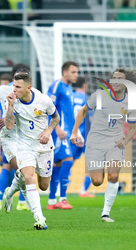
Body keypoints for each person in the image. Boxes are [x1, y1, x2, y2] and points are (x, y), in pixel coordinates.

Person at [71, 68, 136, 222]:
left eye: (120, 78)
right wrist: (75, 132)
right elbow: (83, 111)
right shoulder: (100, 95)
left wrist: (124, 141)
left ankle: (105, 213)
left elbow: (131, 129)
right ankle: (100, 167)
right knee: (96, 181)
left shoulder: (131, 102)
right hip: (95, 142)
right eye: (114, 78)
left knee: (114, 175)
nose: (115, 81)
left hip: (115, 143)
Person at [4, 69, 60, 230]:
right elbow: (8, 125)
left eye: (18, 87)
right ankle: (40, 218)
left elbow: (56, 117)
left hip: (44, 148)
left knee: (44, 186)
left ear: (28, 88)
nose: (14, 90)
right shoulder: (13, 101)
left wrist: (48, 131)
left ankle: (12, 188)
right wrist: (10, 106)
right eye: (14, 86)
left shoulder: (43, 100)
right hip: (24, 147)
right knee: (29, 176)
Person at [0, 71, 29, 211]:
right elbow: (2, 119)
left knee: (13, 169)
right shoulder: (8, 94)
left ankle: (1, 199)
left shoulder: (5, 93)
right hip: (11, 136)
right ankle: (21, 202)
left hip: (14, 136)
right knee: (22, 169)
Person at [47, 61, 79, 210]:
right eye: (73, 72)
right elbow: (49, 107)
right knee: (68, 160)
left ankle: (52, 201)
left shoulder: (69, 89)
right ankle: (63, 198)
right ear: (64, 72)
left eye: (77, 72)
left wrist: (75, 132)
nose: (76, 75)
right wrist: (57, 128)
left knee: (58, 165)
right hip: (59, 132)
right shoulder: (57, 86)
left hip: (67, 132)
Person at [72, 77, 94, 198]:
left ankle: (59, 187)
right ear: (85, 85)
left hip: (73, 134)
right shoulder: (88, 98)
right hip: (86, 135)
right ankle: (83, 190)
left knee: (67, 162)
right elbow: (92, 117)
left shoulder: (71, 96)